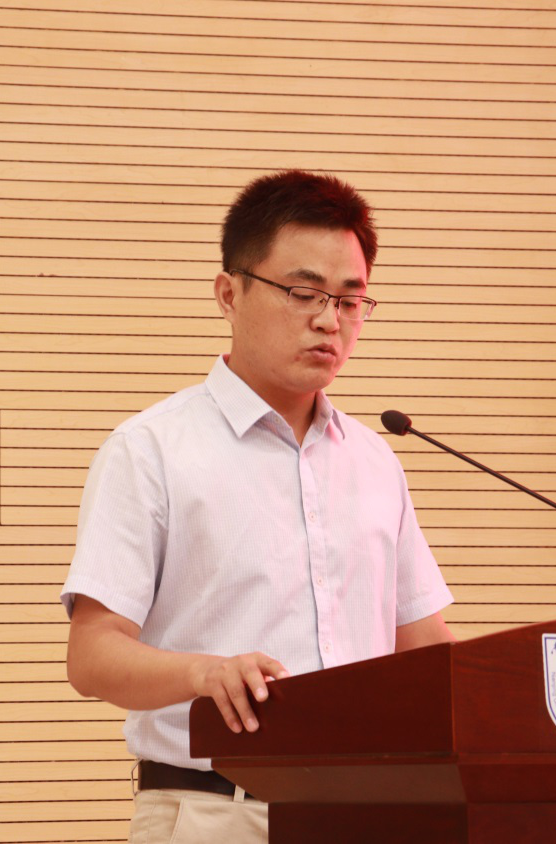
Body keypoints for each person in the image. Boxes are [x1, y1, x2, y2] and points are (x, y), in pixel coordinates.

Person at [61, 170, 454, 844]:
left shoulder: (375, 462)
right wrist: (204, 672)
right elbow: (92, 656)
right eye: (303, 293)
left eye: (350, 300)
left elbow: (429, 657)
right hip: (216, 814)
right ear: (229, 293)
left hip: (371, 815)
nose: (329, 320)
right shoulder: (152, 450)